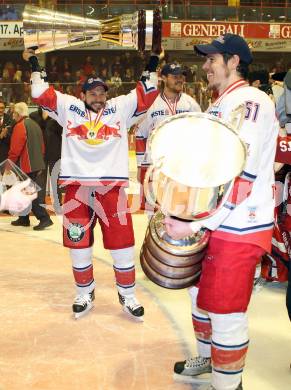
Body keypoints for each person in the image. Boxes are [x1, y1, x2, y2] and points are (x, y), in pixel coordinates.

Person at [164, 34, 279, 390]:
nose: (205, 65)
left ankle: (228, 384)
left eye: (212, 59)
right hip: (215, 222)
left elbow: (241, 174)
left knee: (226, 310)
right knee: (200, 296)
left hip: (239, 225)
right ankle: (207, 358)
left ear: (233, 62)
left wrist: (200, 222)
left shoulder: (252, 102)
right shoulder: (218, 105)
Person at [24, 47, 161, 320]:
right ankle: (85, 292)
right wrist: (35, 63)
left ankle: (128, 295)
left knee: (122, 244)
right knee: (79, 243)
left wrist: (154, 60)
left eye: (102, 93)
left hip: (113, 188)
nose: (98, 97)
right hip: (77, 188)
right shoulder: (68, 107)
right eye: (93, 93)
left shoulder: (119, 108)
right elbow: (40, 93)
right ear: (83, 94)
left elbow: (146, 94)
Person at [135, 62, 201, 213]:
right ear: (163, 78)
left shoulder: (191, 104)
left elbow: (200, 132)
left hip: (182, 166)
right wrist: (140, 165)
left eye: (182, 76)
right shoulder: (150, 104)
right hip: (155, 165)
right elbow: (140, 134)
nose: (180, 79)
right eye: (175, 76)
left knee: (181, 211)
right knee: (153, 212)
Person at [8, 102, 53, 230]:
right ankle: (23, 218)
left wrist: (9, 164)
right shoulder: (35, 124)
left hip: (26, 165)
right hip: (37, 164)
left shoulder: (20, 126)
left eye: (13, 113)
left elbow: (15, 149)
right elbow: (42, 147)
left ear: (17, 113)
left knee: (30, 194)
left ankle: (44, 219)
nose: (12, 116)